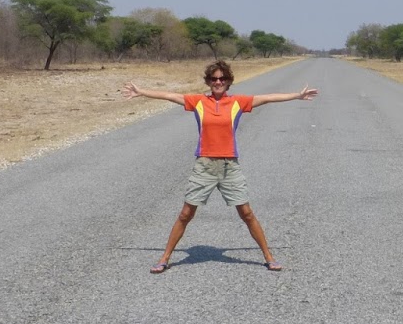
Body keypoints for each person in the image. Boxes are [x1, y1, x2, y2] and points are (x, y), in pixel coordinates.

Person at [121, 60, 318, 273]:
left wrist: (297, 96)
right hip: (204, 165)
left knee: (247, 213)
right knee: (186, 214)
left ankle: (269, 257)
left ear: (229, 81)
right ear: (208, 81)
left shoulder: (238, 103)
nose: (218, 82)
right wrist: (141, 92)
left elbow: (268, 98)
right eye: (214, 79)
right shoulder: (197, 102)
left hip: (229, 166)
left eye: (222, 79)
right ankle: (165, 257)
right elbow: (170, 95)